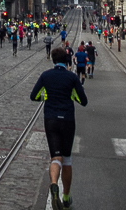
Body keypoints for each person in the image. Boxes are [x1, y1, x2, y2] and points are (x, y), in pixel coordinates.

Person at [31, 46, 88, 210]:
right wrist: (72, 97)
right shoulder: (72, 77)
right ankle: (66, 196)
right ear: (66, 61)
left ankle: (54, 184)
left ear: (54, 61)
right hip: (68, 120)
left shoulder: (46, 76)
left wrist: (46, 97)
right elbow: (83, 101)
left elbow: (33, 96)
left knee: (55, 157)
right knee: (67, 159)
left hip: (50, 119)